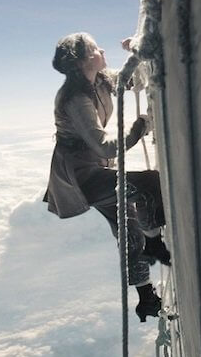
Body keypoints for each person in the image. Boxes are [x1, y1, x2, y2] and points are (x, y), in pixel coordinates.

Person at [43, 32, 171, 320]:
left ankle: (146, 296)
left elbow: (131, 79)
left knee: (126, 226)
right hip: (81, 176)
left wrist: (135, 53)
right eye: (95, 47)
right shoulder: (75, 98)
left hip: (95, 167)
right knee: (150, 185)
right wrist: (144, 124)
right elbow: (105, 145)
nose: (102, 49)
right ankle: (153, 243)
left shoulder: (97, 80)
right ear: (86, 60)